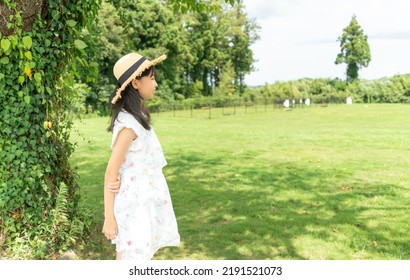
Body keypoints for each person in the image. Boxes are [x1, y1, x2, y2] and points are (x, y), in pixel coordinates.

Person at [102, 52, 180, 260]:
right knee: (132, 259)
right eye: (152, 78)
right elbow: (111, 171)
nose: (155, 84)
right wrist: (109, 217)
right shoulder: (129, 125)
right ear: (136, 83)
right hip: (134, 206)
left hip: (143, 202)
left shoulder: (139, 118)